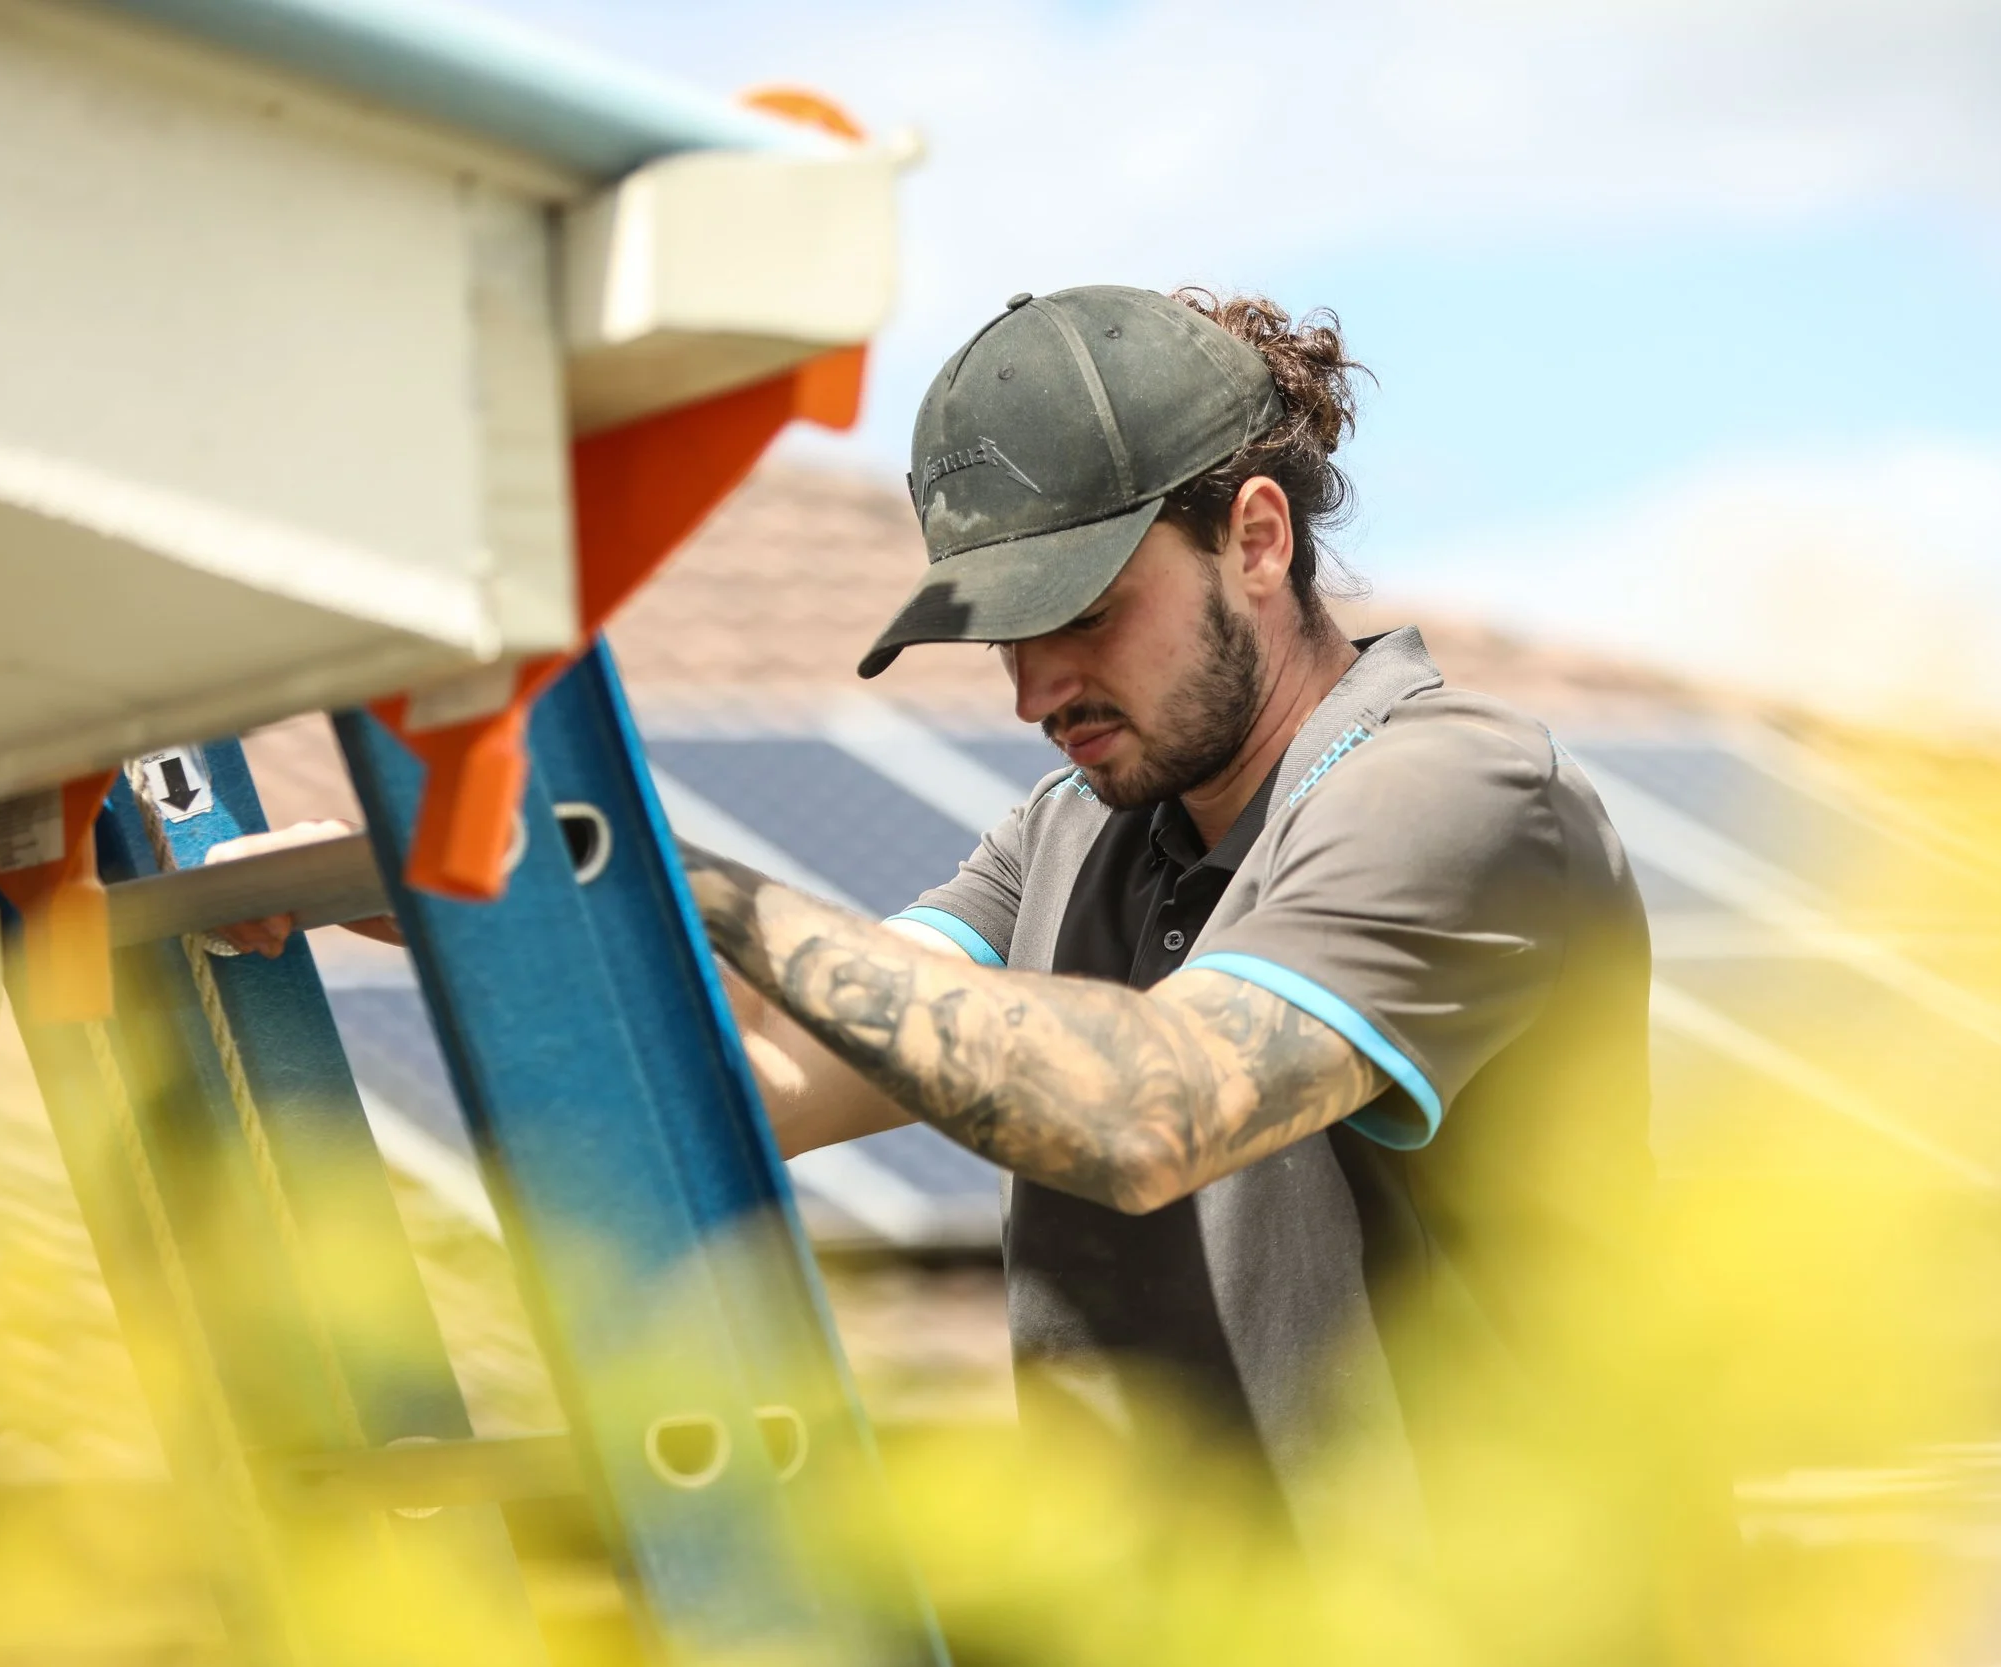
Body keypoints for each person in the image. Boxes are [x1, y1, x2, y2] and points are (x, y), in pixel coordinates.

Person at [223, 286, 1657, 1586]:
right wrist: (482, 894)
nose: (1037, 687)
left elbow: (1143, 1106)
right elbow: (787, 1062)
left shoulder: (1457, 792)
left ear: (1259, 540)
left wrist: (662, 870)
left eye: (1085, 612)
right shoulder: (1071, 830)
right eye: (1000, 635)